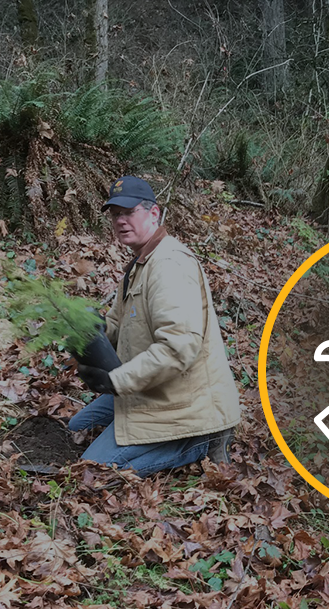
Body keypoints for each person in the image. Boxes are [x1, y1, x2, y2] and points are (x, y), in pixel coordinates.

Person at [68, 175, 241, 476]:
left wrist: (118, 380)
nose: (120, 220)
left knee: (93, 470)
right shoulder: (140, 264)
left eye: (128, 212)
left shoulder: (169, 264)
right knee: (75, 428)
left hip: (185, 404)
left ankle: (201, 441)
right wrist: (89, 328)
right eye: (115, 214)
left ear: (154, 213)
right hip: (152, 389)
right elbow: (115, 326)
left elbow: (178, 348)